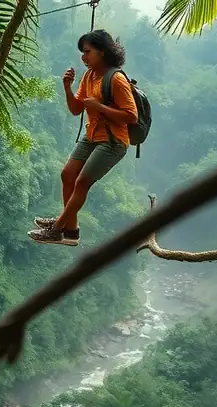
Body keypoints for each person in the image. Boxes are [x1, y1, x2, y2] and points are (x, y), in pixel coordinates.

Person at [29, 30, 137, 247]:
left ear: (103, 52)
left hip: (113, 141)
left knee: (81, 182)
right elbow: (76, 109)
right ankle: (71, 231)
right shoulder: (89, 76)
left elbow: (131, 116)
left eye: (87, 52)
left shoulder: (116, 79)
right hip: (92, 135)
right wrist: (67, 87)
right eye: (82, 52)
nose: (83, 57)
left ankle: (57, 228)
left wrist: (100, 107)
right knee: (67, 174)